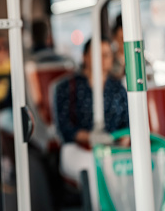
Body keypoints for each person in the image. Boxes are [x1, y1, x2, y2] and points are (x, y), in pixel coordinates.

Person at [54, 37, 129, 210]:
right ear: (85, 57)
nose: (102, 60)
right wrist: (92, 138)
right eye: (97, 55)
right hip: (78, 149)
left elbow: (127, 124)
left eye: (107, 55)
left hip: (114, 148)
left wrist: (120, 142)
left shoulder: (118, 88)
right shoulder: (67, 87)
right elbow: (65, 129)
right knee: (95, 168)